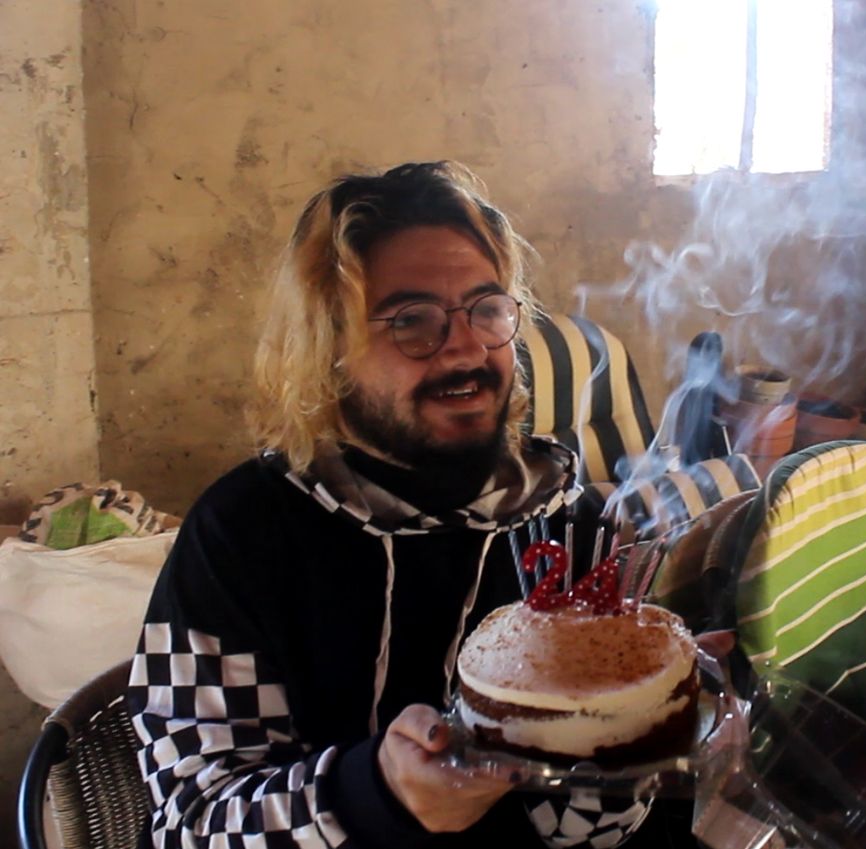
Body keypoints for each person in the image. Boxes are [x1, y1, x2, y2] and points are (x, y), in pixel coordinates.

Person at [127, 161, 694, 849]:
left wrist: (637, 731)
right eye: (412, 321)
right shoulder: (243, 533)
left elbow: (584, 833)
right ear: (331, 348)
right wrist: (376, 795)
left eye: (487, 309)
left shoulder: (567, 528)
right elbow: (192, 822)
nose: (466, 348)